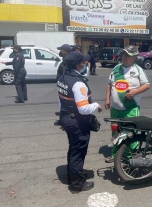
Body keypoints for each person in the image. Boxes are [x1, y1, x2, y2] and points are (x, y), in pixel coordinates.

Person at [57, 51, 103, 193]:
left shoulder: (62, 77)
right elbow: (83, 109)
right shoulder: (78, 83)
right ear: (78, 65)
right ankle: (77, 184)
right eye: (83, 63)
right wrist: (96, 105)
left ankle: (73, 176)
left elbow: (61, 101)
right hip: (77, 121)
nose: (85, 65)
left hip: (66, 117)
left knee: (73, 149)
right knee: (78, 152)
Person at [104, 45, 150, 163]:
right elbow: (109, 84)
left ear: (135, 57)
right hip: (115, 108)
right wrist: (107, 99)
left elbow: (147, 85)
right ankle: (115, 155)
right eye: (124, 54)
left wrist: (135, 92)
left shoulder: (138, 70)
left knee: (131, 132)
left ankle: (130, 157)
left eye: (128, 55)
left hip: (131, 108)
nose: (125, 57)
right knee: (116, 131)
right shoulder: (116, 68)